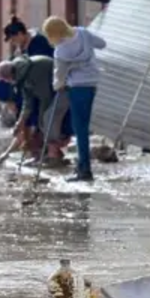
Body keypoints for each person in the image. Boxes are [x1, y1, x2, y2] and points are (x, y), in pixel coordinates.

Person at [43, 16, 107, 183]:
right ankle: (82, 167)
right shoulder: (83, 33)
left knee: (80, 129)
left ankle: (84, 170)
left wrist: (58, 84)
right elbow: (102, 44)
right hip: (92, 84)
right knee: (82, 127)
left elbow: (58, 79)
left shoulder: (61, 51)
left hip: (76, 87)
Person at [0, 55, 68, 165]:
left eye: (7, 80)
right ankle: (47, 154)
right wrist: (20, 122)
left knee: (47, 119)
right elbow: (27, 102)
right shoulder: (21, 76)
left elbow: (45, 98)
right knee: (43, 121)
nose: (9, 82)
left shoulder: (32, 71)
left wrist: (41, 121)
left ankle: (54, 155)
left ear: (10, 75)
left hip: (65, 87)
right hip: (53, 91)